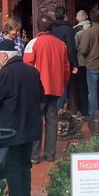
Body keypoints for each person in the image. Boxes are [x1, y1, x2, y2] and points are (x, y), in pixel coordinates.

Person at [0, 39, 44, 196]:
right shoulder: (32, 71)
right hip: (30, 128)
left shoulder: (5, 74)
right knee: (25, 167)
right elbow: (41, 96)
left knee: (12, 168)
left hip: (10, 131)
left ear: (4, 55)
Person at [24, 16, 71, 164]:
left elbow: (27, 67)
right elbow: (66, 68)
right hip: (55, 87)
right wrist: (61, 83)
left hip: (38, 88)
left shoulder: (34, 43)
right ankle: (50, 154)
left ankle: (34, 155)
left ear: (38, 28)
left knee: (36, 121)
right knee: (52, 120)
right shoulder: (61, 44)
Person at [50, 7, 78, 112]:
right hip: (63, 61)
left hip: (50, 61)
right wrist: (75, 64)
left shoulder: (51, 28)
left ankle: (52, 112)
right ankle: (60, 112)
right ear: (65, 16)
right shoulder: (68, 29)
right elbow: (71, 48)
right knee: (62, 87)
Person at [77, 8, 99, 115]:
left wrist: (87, 56)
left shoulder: (89, 32)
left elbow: (83, 49)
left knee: (93, 91)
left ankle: (94, 114)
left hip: (92, 64)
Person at [73, 10, 93, 115]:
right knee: (92, 88)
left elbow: (74, 47)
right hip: (92, 62)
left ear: (77, 18)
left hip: (80, 63)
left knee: (82, 88)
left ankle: (84, 110)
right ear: (87, 16)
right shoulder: (93, 27)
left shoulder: (76, 30)